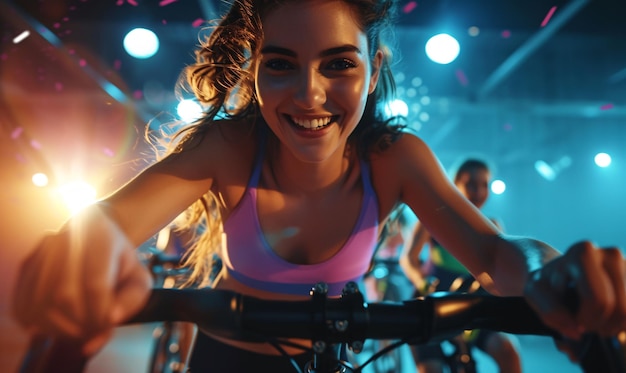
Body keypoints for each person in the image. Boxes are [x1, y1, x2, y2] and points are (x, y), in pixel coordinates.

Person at [10, 1, 626, 372]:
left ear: (373, 68)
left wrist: (549, 273)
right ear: (253, 69)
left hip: (335, 359)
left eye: (338, 64)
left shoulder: (394, 159)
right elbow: (110, 221)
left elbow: (493, 251)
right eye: (281, 64)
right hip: (226, 363)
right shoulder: (228, 147)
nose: (309, 95)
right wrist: (85, 244)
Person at [400, 158, 522, 373]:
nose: (479, 191)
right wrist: (423, 283)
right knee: (431, 369)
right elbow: (408, 259)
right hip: (433, 306)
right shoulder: (433, 217)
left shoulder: (493, 225)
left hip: (475, 305)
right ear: (454, 185)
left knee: (508, 353)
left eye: (484, 184)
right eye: (471, 184)